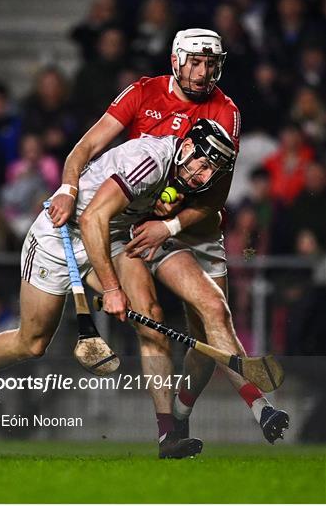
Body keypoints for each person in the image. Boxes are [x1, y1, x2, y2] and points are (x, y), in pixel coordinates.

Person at [47, 28, 289, 445]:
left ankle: (180, 412)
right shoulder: (141, 93)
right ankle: (178, 430)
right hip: (135, 224)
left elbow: (214, 196)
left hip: (192, 227)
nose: (202, 71)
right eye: (195, 61)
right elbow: (83, 149)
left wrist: (170, 225)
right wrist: (69, 189)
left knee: (213, 319)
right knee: (152, 320)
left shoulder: (226, 112)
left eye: (211, 63)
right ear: (176, 60)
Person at [0, 119, 235, 459]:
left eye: (210, 171)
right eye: (202, 163)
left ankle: (167, 435)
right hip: (61, 236)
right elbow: (90, 219)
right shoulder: (151, 160)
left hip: (111, 236)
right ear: (186, 147)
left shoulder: (182, 178)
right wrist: (111, 289)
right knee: (33, 342)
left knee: (149, 318)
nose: (202, 175)